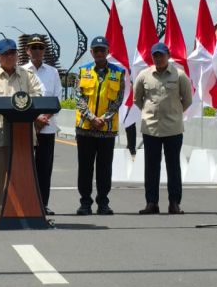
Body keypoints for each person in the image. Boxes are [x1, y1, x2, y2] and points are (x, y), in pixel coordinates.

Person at [0, 38, 43, 227]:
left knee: (23, 172)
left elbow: (38, 95)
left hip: (22, 134)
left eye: (13, 53)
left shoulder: (27, 76)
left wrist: (24, 103)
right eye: (6, 54)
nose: (10, 57)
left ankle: (23, 208)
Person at [133, 42, 193, 215]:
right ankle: (151, 203)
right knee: (151, 167)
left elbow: (187, 100)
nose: (158, 58)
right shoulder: (144, 76)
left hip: (173, 128)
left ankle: (174, 203)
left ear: (168, 55)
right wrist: (149, 113)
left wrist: (174, 112)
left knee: (173, 167)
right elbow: (138, 99)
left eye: (161, 55)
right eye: (155, 56)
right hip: (150, 128)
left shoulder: (179, 75)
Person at [74, 36, 126, 215]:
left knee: (104, 169)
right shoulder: (82, 71)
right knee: (85, 168)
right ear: (91, 52)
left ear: (107, 51)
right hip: (85, 129)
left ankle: (103, 202)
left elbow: (119, 100)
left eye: (102, 50)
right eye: (96, 50)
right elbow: (78, 98)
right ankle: (85, 203)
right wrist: (91, 117)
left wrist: (103, 118)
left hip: (107, 129)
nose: (99, 53)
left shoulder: (118, 73)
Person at [22, 34, 61, 216]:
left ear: (44, 51)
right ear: (27, 50)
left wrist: (44, 117)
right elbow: (20, 100)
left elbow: (57, 99)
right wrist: (34, 118)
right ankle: (26, 203)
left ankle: (42, 204)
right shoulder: (21, 71)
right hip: (27, 127)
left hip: (48, 127)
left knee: (45, 168)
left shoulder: (52, 72)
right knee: (25, 167)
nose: (37, 51)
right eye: (33, 47)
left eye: (40, 47)